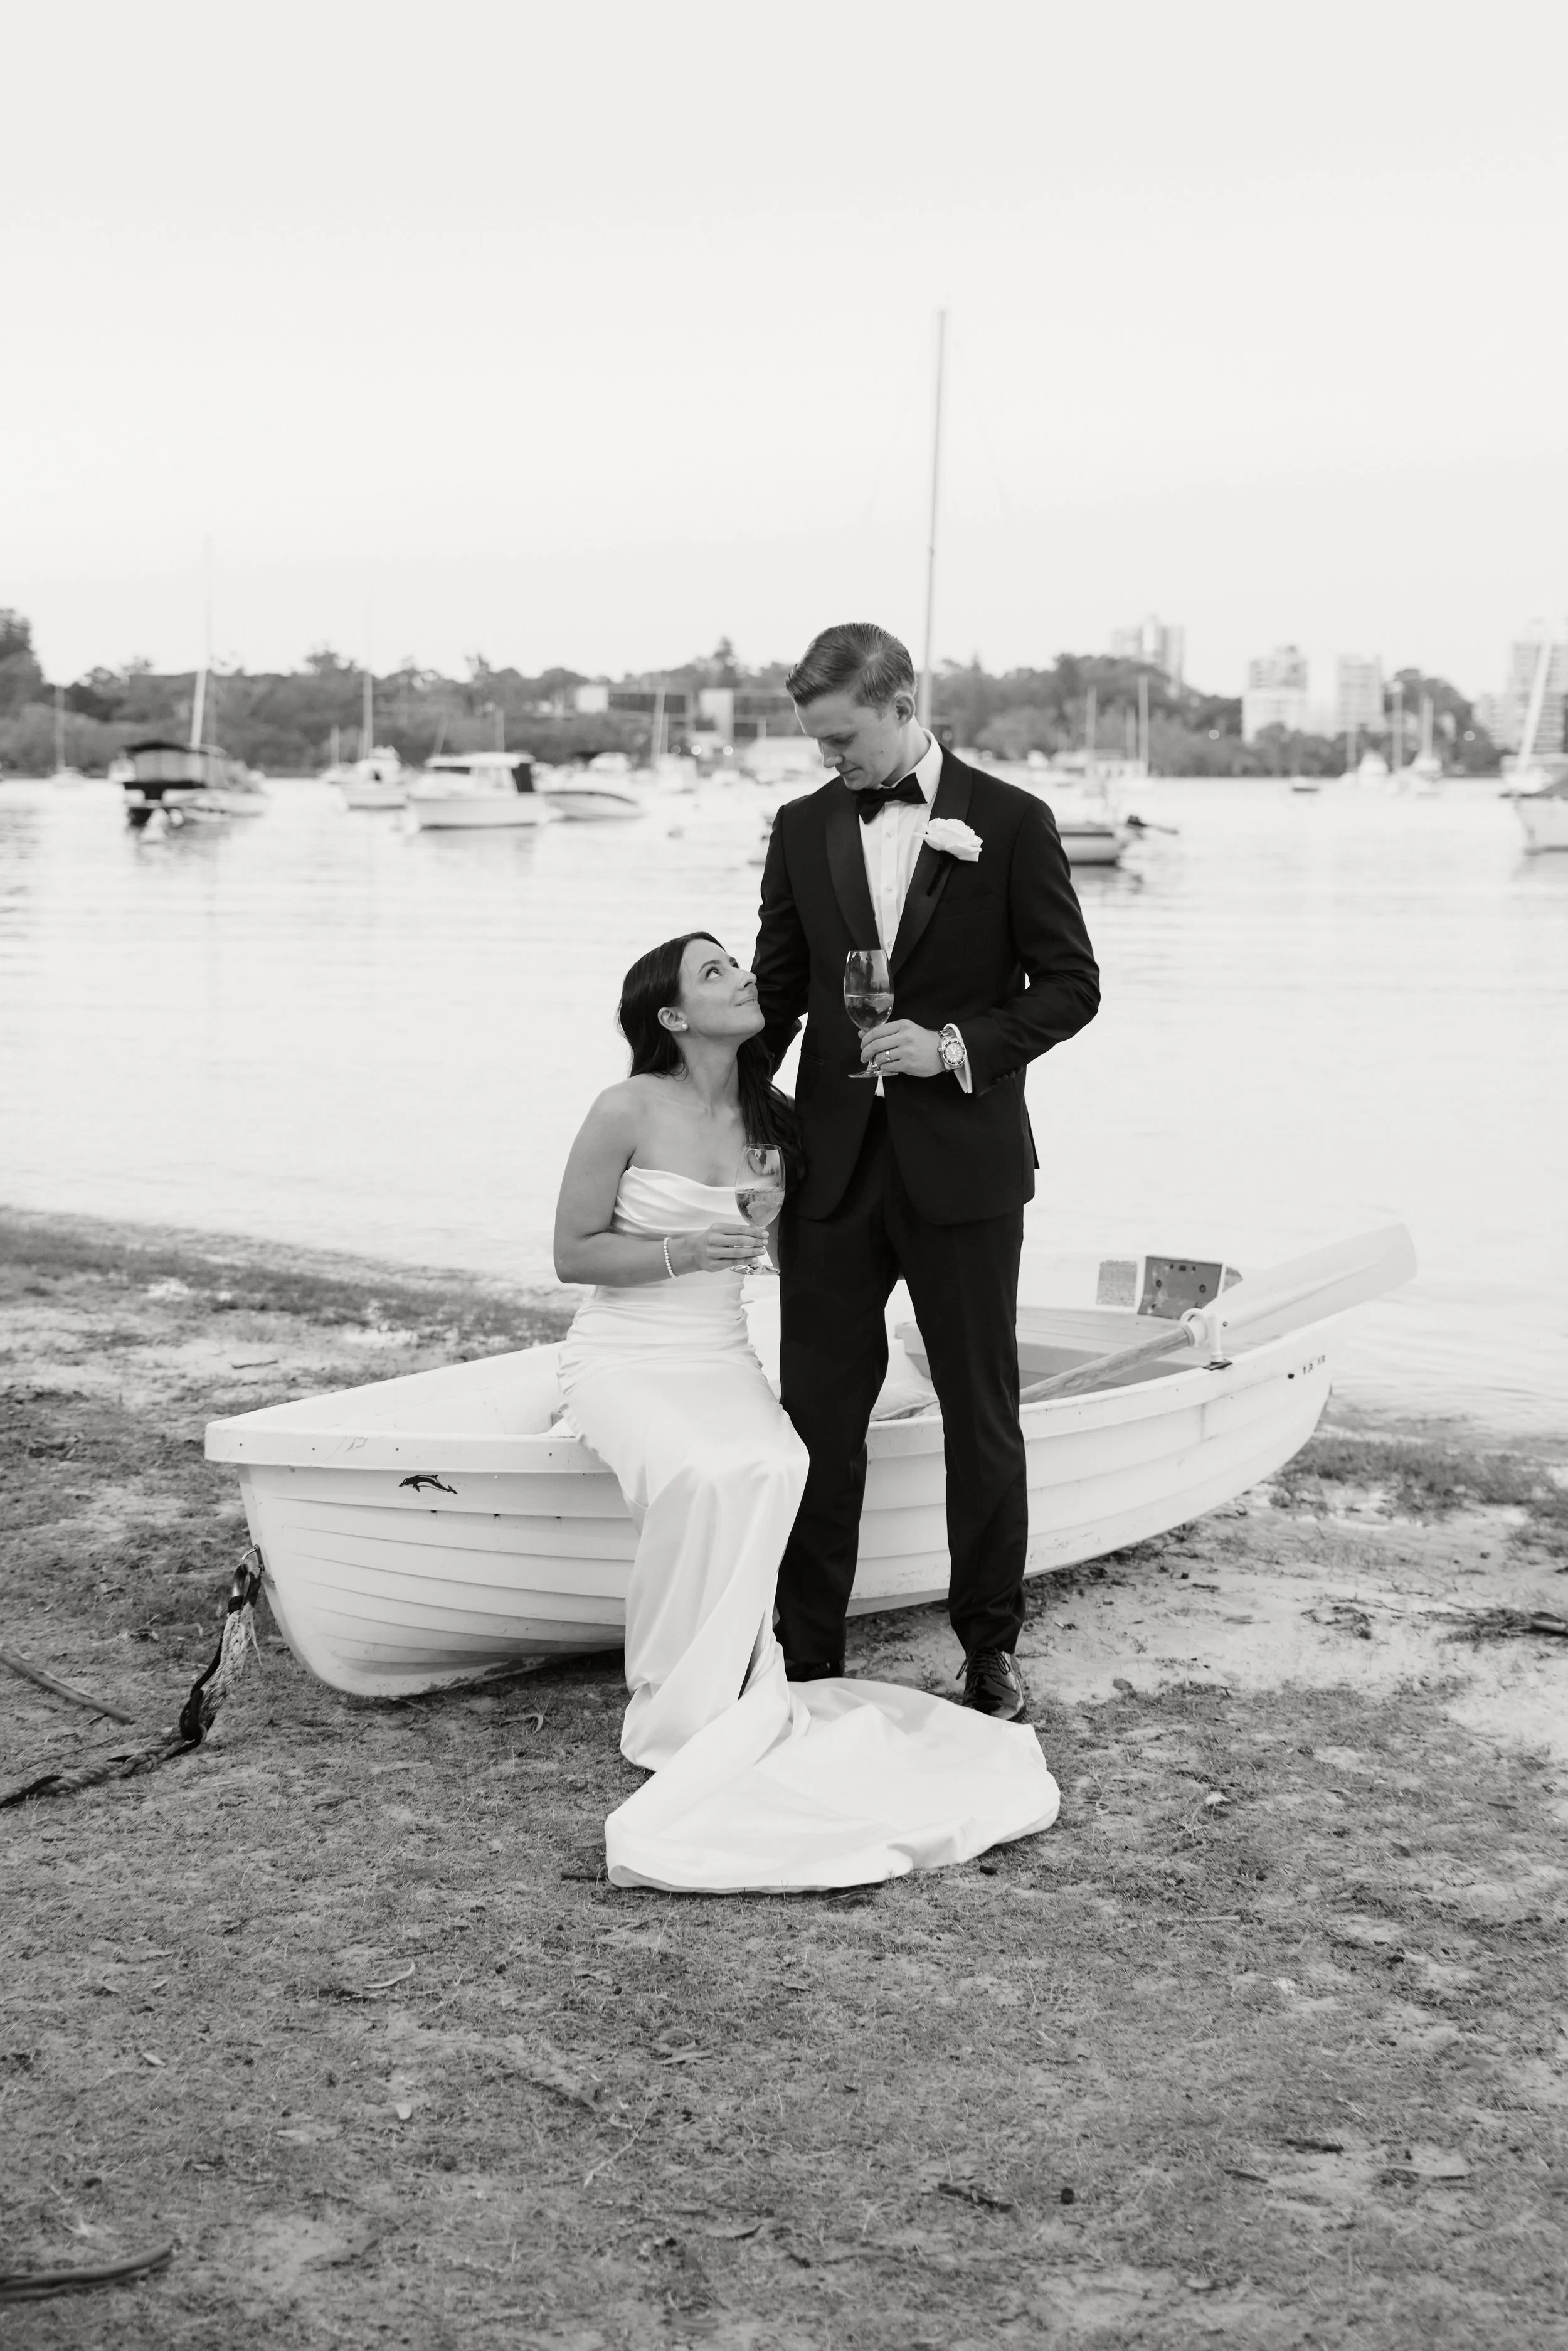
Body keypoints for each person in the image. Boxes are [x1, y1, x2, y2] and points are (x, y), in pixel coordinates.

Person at [552, 930, 1059, 1893]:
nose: (745, 975)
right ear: (672, 1015)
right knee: (709, 1470)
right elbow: (572, 1252)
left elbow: (795, 1255)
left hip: (717, 1351)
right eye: (715, 972)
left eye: (737, 963)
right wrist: (677, 1254)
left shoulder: (774, 1120)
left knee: (783, 1462)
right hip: (626, 1351)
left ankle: (744, 1678)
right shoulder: (625, 1108)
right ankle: (674, 1700)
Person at [754, 622, 1100, 1721]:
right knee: (816, 1418)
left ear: (902, 704)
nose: (829, 760)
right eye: (816, 742)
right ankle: (805, 1654)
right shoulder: (802, 827)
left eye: (843, 738)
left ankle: (990, 1651)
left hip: (965, 1169)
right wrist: (715, 1116)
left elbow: (1072, 986)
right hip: (831, 1172)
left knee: (980, 1416)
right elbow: (774, 995)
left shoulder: (1013, 820)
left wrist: (953, 1047)